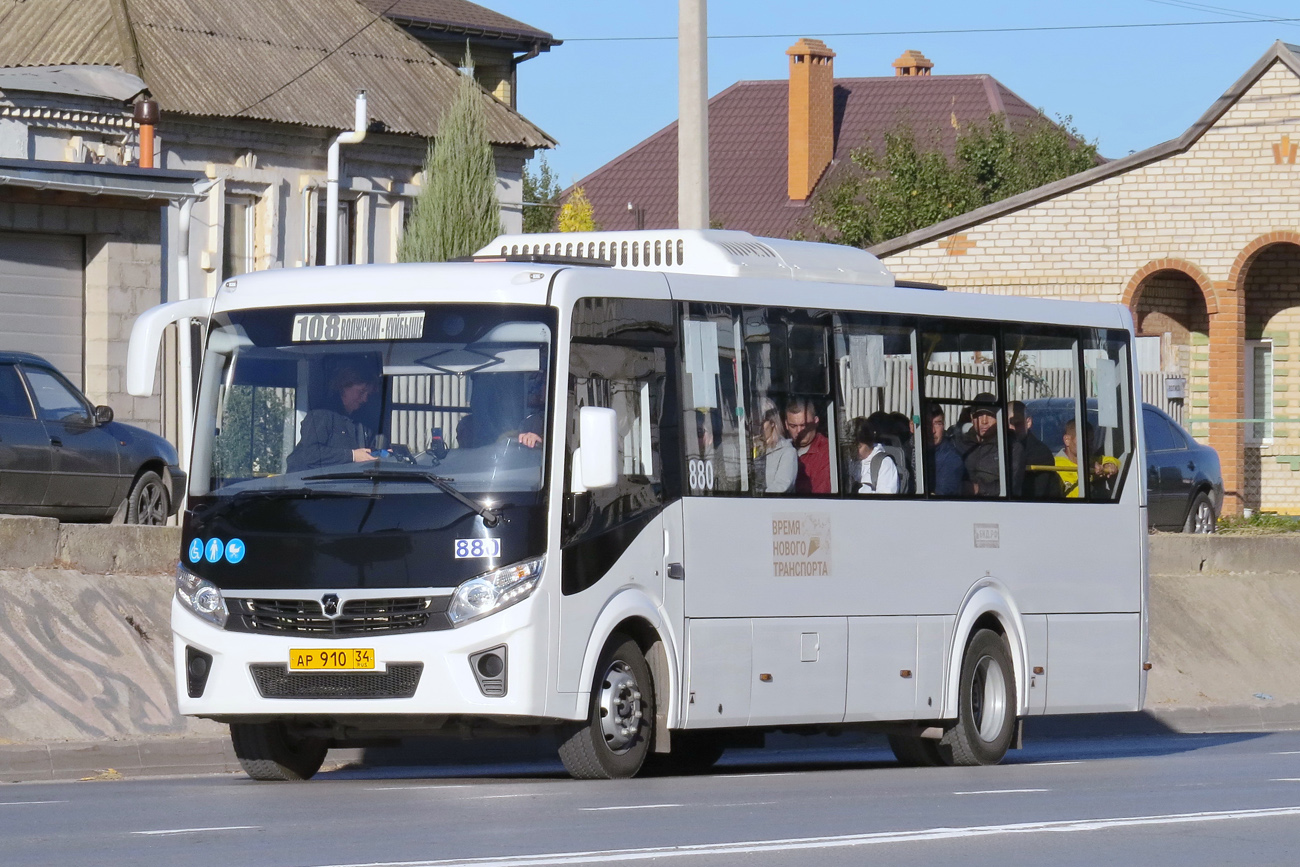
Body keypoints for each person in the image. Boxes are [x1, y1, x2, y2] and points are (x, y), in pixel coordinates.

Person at [286, 365, 380, 471]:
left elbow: (364, 453)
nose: (365, 399)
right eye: (361, 392)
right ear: (344, 387)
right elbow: (310, 454)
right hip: (306, 484)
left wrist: (381, 454)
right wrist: (352, 456)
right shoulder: (321, 414)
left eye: (368, 394)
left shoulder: (363, 422)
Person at [956, 392, 1021, 497]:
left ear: (998, 418)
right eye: (979, 415)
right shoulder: (959, 442)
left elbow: (1013, 486)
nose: (984, 421)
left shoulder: (1011, 446)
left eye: (990, 415)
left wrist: (978, 489)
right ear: (972, 418)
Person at [1008, 400, 1061, 498]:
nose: (1013, 428)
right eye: (1009, 423)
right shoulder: (997, 447)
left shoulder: (1041, 454)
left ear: (1028, 422)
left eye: (1017, 423)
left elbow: (1035, 494)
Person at [784, 396, 831, 494]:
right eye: (793, 426)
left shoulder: (827, 452)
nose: (799, 431)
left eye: (804, 425)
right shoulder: (781, 449)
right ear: (786, 425)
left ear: (816, 421)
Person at [851, 416, 899, 495]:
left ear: (869, 443)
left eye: (859, 447)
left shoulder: (884, 463)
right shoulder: (849, 462)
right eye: (851, 447)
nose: (854, 451)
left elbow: (886, 497)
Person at [927, 404, 965, 496]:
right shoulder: (907, 450)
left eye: (937, 424)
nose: (933, 431)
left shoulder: (951, 459)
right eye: (927, 424)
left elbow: (940, 498)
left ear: (943, 426)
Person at [758, 407, 798, 494]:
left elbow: (782, 485)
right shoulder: (751, 449)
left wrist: (760, 499)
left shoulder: (787, 452)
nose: (758, 427)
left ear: (772, 423)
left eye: (762, 422)